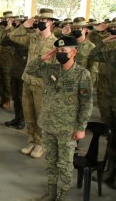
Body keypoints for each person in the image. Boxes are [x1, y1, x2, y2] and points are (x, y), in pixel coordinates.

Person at [27, 36, 92, 201]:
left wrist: (81, 128)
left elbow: (86, 103)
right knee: (50, 163)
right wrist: (43, 57)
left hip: (67, 128)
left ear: (74, 52)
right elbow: (30, 70)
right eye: (58, 50)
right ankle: (51, 194)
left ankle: (61, 198)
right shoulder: (51, 70)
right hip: (48, 125)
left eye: (64, 51)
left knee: (64, 165)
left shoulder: (82, 75)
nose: (60, 53)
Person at [9, 8, 58, 159]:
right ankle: (31, 140)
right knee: (29, 114)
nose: (40, 23)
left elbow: (57, 68)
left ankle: (40, 143)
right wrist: (25, 25)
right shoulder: (33, 37)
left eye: (43, 21)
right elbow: (12, 36)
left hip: (42, 85)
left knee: (40, 115)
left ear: (51, 23)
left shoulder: (55, 43)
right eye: (39, 21)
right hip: (28, 81)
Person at [88, 22, 116, 189]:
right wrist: (104, 41)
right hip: (111, 102)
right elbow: (93, 55)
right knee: (112, 140)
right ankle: (109, 171)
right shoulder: (112, 53)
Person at [0, 11, 16, 109]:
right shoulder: (1, 29)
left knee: (7, 80)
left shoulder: (14, 31)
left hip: (9, 59)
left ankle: (7, 101)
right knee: (0, 79)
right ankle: (2, 99)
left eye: (5, 19)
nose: (3, 21)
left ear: (11, 19)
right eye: (3, 19)